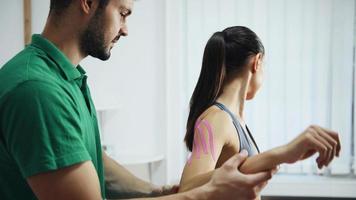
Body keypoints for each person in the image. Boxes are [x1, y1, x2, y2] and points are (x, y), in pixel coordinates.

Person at [0, 1, 275, 200]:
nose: (126, 29)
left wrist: (156, 190)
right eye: (122, 13)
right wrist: (207, 193)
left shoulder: (68, 80)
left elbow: (92, 162)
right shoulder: (38, 91)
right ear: (87, 3)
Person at [178, 26, 341, 197]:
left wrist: (285, 156)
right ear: (257, 62)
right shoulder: (217, 118)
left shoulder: (234, 120)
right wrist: (282, 153)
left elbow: (233, 171)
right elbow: (187, 190)